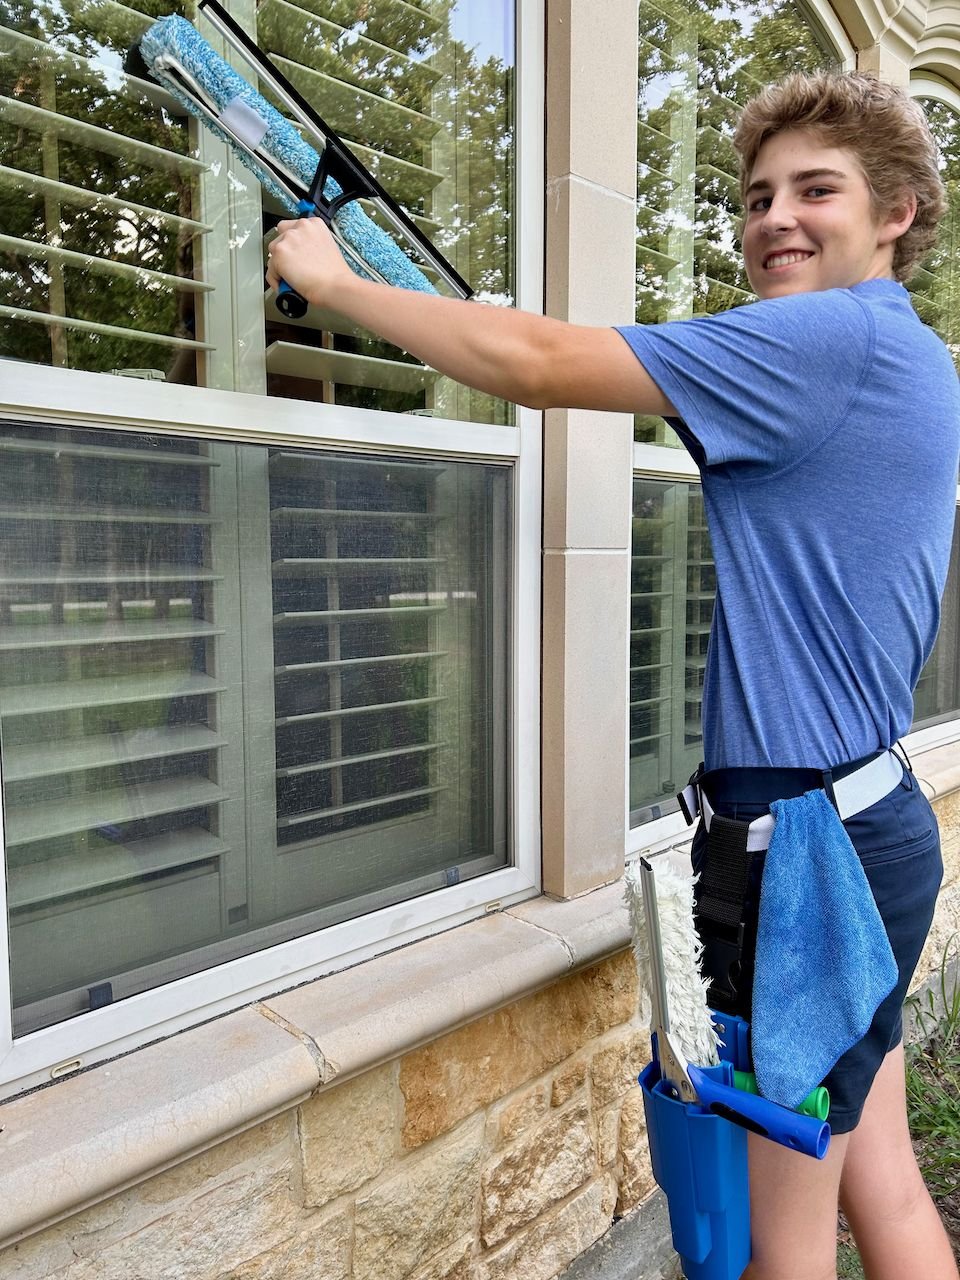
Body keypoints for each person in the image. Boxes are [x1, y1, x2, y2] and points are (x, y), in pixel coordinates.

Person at [267, 71, 960, 1280]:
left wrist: (330, 283)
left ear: (897, 209)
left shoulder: (825, 336)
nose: (773, 219)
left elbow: (538, 362)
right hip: (872, 824)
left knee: (775, 1249)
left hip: (803, 861)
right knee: (879, 1173)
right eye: (755, 197)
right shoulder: (905, 353)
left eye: (816, 190)